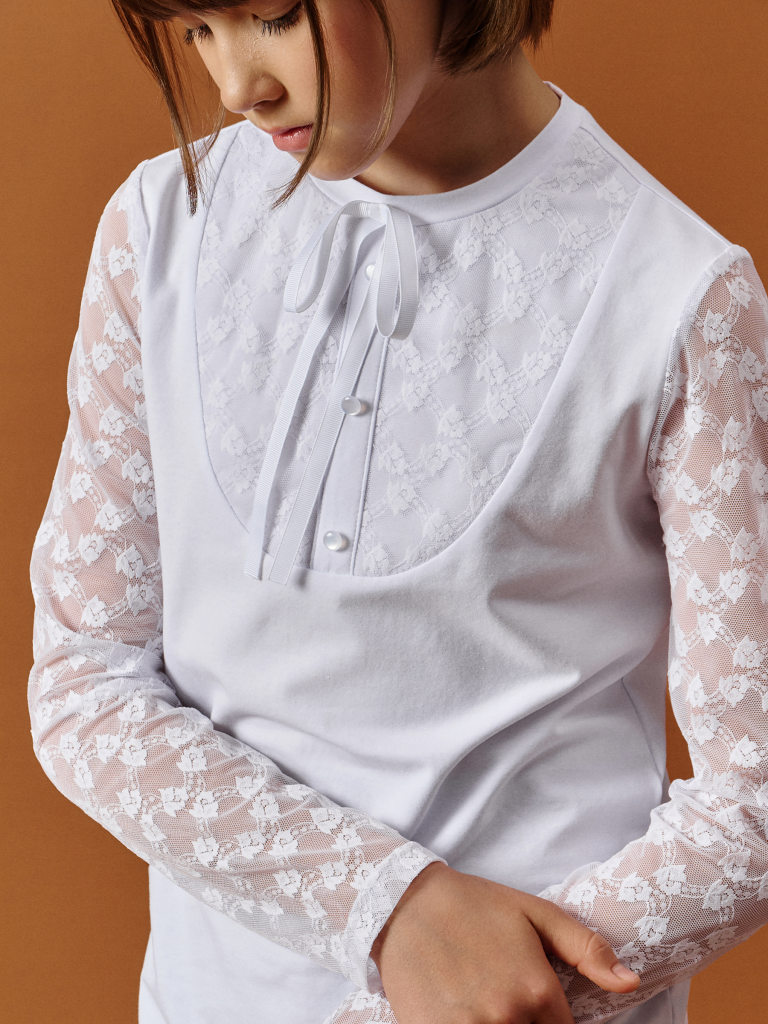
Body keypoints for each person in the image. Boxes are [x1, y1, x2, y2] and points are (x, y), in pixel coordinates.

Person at [27, 0, 768, 1022]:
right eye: (197, 31)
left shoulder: (683, 297)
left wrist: (492, 989)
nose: (237, 85)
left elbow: (755, 802)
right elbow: (85, 677)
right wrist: (387, 905)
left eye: (273, 15)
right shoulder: (162, 225)